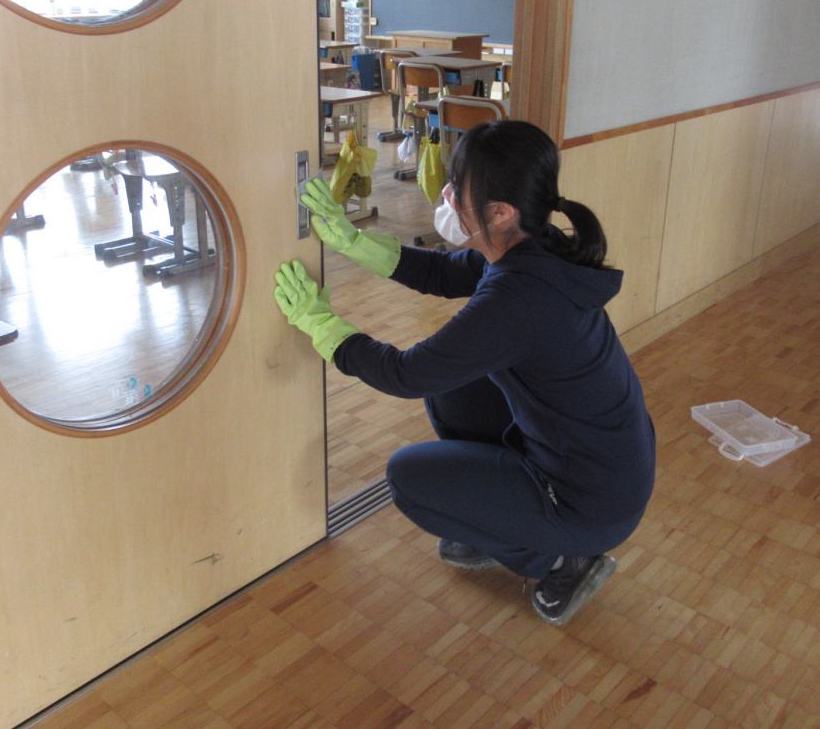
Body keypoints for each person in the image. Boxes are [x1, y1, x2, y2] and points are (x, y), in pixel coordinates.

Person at [273, 120, 655, 626]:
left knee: (407, 477)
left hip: (588, 502)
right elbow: (442, 272)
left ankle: (560, 557)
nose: (448, 196)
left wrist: (321, 324)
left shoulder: (519, 298)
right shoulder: (534, 247)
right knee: (453, 389)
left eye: (459, 188)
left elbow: (404, 375)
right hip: (603, 467)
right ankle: (501, 516)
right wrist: (350, 239)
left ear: (500, 211)